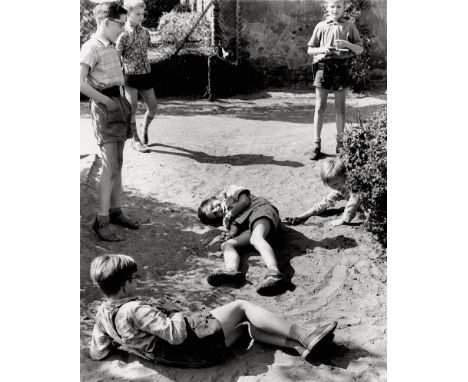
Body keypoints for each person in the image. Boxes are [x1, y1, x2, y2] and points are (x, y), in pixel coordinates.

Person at [89, 254, 338, 367]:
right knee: (242, 307)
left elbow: (98, 353)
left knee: (245, 328)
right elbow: (177, 334)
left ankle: (298, 348)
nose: (137, 281)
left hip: (186, 359)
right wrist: (173, 310)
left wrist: (124, 341)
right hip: (193, 345)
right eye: (134, 278)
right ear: (123, 285)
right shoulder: (135, 309)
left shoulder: (103, 315)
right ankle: (305, 335)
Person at [80, 2, 139, 242]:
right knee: (109, 166)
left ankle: (115, 212)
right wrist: (106, 101)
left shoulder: (112, 46)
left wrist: (125, 105)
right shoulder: (91, 47)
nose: (122, 29)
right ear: (106, 22)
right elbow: (79, 82)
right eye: (119, 24)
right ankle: (101, 220)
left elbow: (118, 79)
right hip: (105, 109)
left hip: (118, 104)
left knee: (119, 163)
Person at [198, 185, 288, 295]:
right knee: (227, 245)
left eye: (213, 206)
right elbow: (234, 231)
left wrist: (230, 215)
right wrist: (226, 237)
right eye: (215, 214)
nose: (217, 210)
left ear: (213, 199)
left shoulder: (231, 192)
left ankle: (274, 272)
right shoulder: (226, 221)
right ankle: (232, 271)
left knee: (256, 239)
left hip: (260, 211)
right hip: (251, 227)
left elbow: (244, 201)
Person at [307, 0, 363, 160]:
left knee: (340, 108)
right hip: (323, 68)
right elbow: (310, 49)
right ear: (327, 8)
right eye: (332, 6)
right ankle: (316, 144)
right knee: (319, 107)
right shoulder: (321, 26)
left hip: (341, 69)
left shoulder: (349, 26)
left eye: (339, 6)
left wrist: (346, 43)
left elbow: (359, 49)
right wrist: (324, 49)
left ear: (344, 8)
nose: (335, 9)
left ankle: (340, 144)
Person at [116, 0, 157, 153]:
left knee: (153, 107)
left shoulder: (145, 33)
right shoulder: (122, 35)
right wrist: (119, 76)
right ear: (128, 14)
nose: (141, 17)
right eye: (138, 14)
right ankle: (135, 140)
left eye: (143, 14)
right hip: (130, 76)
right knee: (131, 107)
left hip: (145, 73)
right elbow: (117, 56)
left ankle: (144, 127)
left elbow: (148, 50)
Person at [285, 158, 360, 226]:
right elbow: (322, 205)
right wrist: (299, 217)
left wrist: (343, 220)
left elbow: (353, 200)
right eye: (330, 185)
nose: (334, 187)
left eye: (335, 183)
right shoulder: (338, 189)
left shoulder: (353, 185)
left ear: (344, 175)